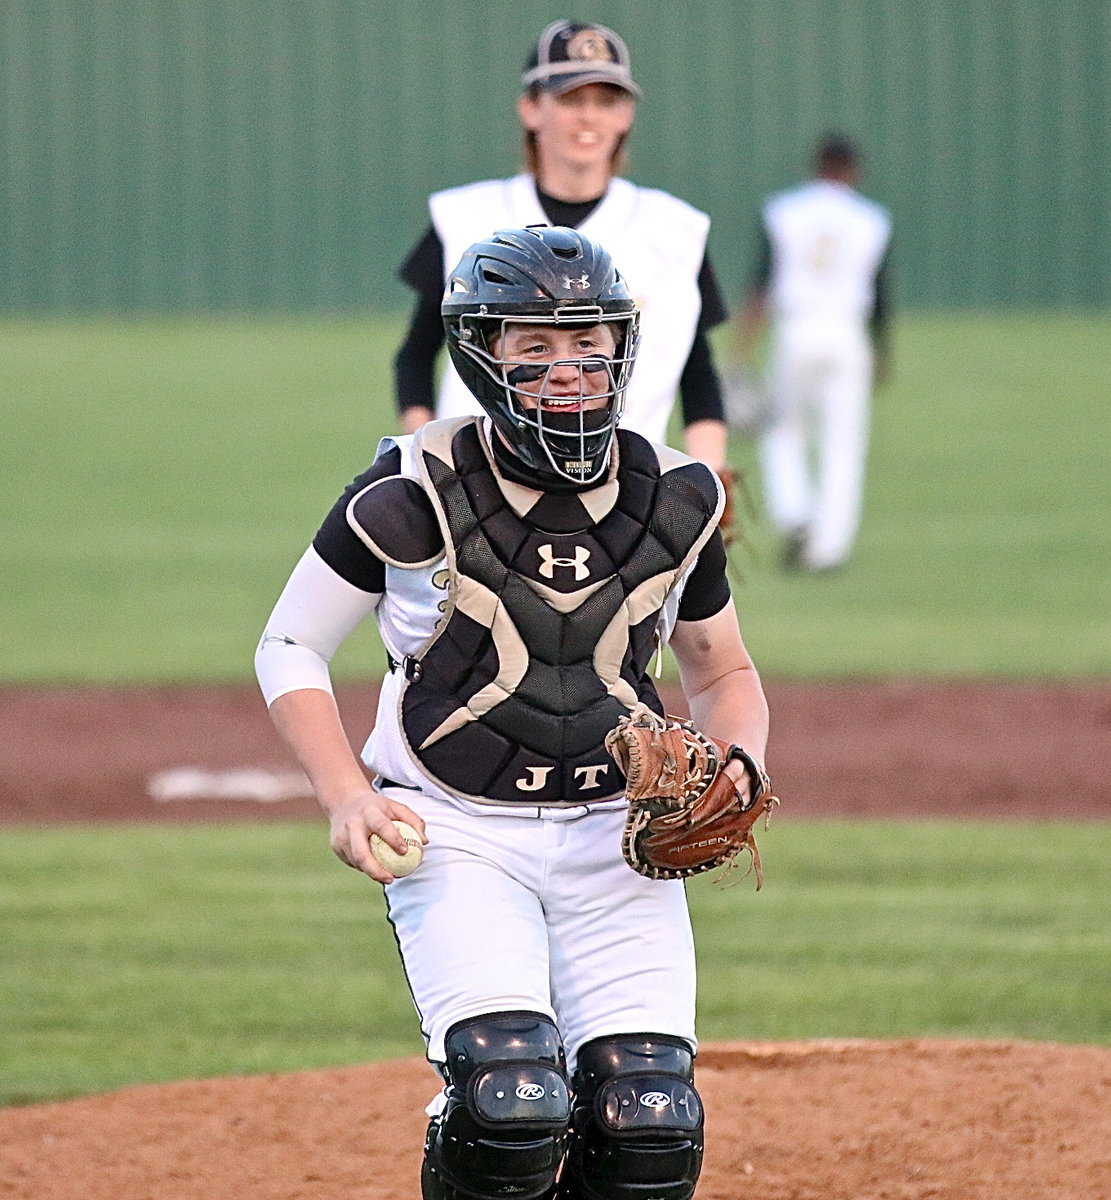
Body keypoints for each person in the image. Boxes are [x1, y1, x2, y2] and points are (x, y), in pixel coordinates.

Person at [255, 225, 771, 1200]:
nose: (568, 367)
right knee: (511, 1102)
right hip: (451, 830)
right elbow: (288, 645)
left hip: (616, 836)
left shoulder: (677, 495)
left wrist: (738, 763)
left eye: (590, 340)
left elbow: (722, 668)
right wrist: (343, 795)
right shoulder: (409, 490)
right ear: (479, 354)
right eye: (531, 346)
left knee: (651, 1119)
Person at [394, 19, 731, 476]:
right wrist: (428, 459)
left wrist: (708, 474)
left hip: (630, 490)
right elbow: (416, 356)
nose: (589, 116)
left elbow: (697, 372)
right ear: (531, 108)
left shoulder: (674, 227)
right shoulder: (466, 215)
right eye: (571, 98)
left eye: (606, 100)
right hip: (482, 479)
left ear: (625, 115)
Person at [735, 134, 893, 571]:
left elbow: (761, 283)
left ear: (816, 165)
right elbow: (881, 293)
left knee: (781, 429)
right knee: (843, 443)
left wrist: (742, 350)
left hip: (796, 330)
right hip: (847, 333)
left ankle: (795, 513)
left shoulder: (783, 211)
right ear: (854, 171)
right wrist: (882, 353)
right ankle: (829, 548)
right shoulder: (871, 219)